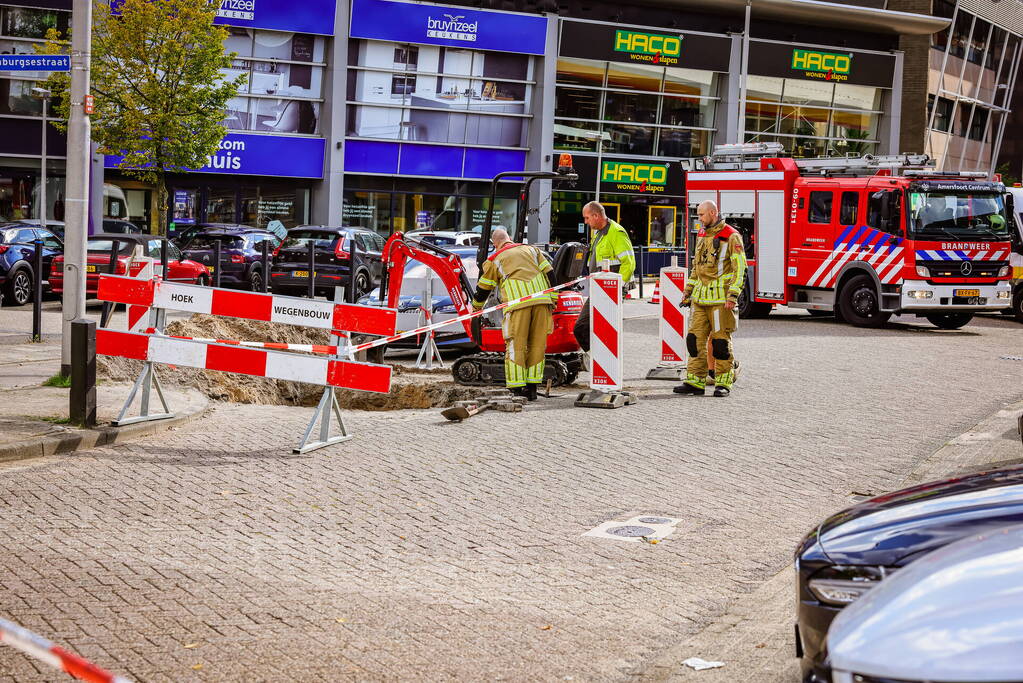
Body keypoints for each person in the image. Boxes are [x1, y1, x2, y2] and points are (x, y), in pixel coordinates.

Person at [472, 228, 556, 402]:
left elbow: (483, 289)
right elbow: (550, 273)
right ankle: (532, 389)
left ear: (495, 244)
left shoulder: (495, 259)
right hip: (543, 302)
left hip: (518, 305)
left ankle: (517, 389)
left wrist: (476, 309)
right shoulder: (532, 250)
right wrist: (553, 298)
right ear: (508, 239)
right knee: (537, 345)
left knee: (516, 346)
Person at [674, 200, 746, 398]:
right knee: (694, 341)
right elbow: (697, 267)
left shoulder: (731, 236)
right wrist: (688, 290)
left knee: (721, 343)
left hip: (721, 301)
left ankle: (723, 382)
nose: (699, 219)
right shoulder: (703, 234)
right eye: (698, 215)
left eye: (702, 215)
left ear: (713, 213)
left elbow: (740, 268)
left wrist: (732, 295)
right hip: (700, 299)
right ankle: (695, 381)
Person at [573, 201, 636, 352]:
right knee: (585, 327)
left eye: (587, 218)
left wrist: (617, 287)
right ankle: (599, 357)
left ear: (596, 215)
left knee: (590, 327)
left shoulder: (616, 232)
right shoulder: (599, 233)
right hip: (599, 287)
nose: (585, 222)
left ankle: (602, 358)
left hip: (610, 289)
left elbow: (629, 262)